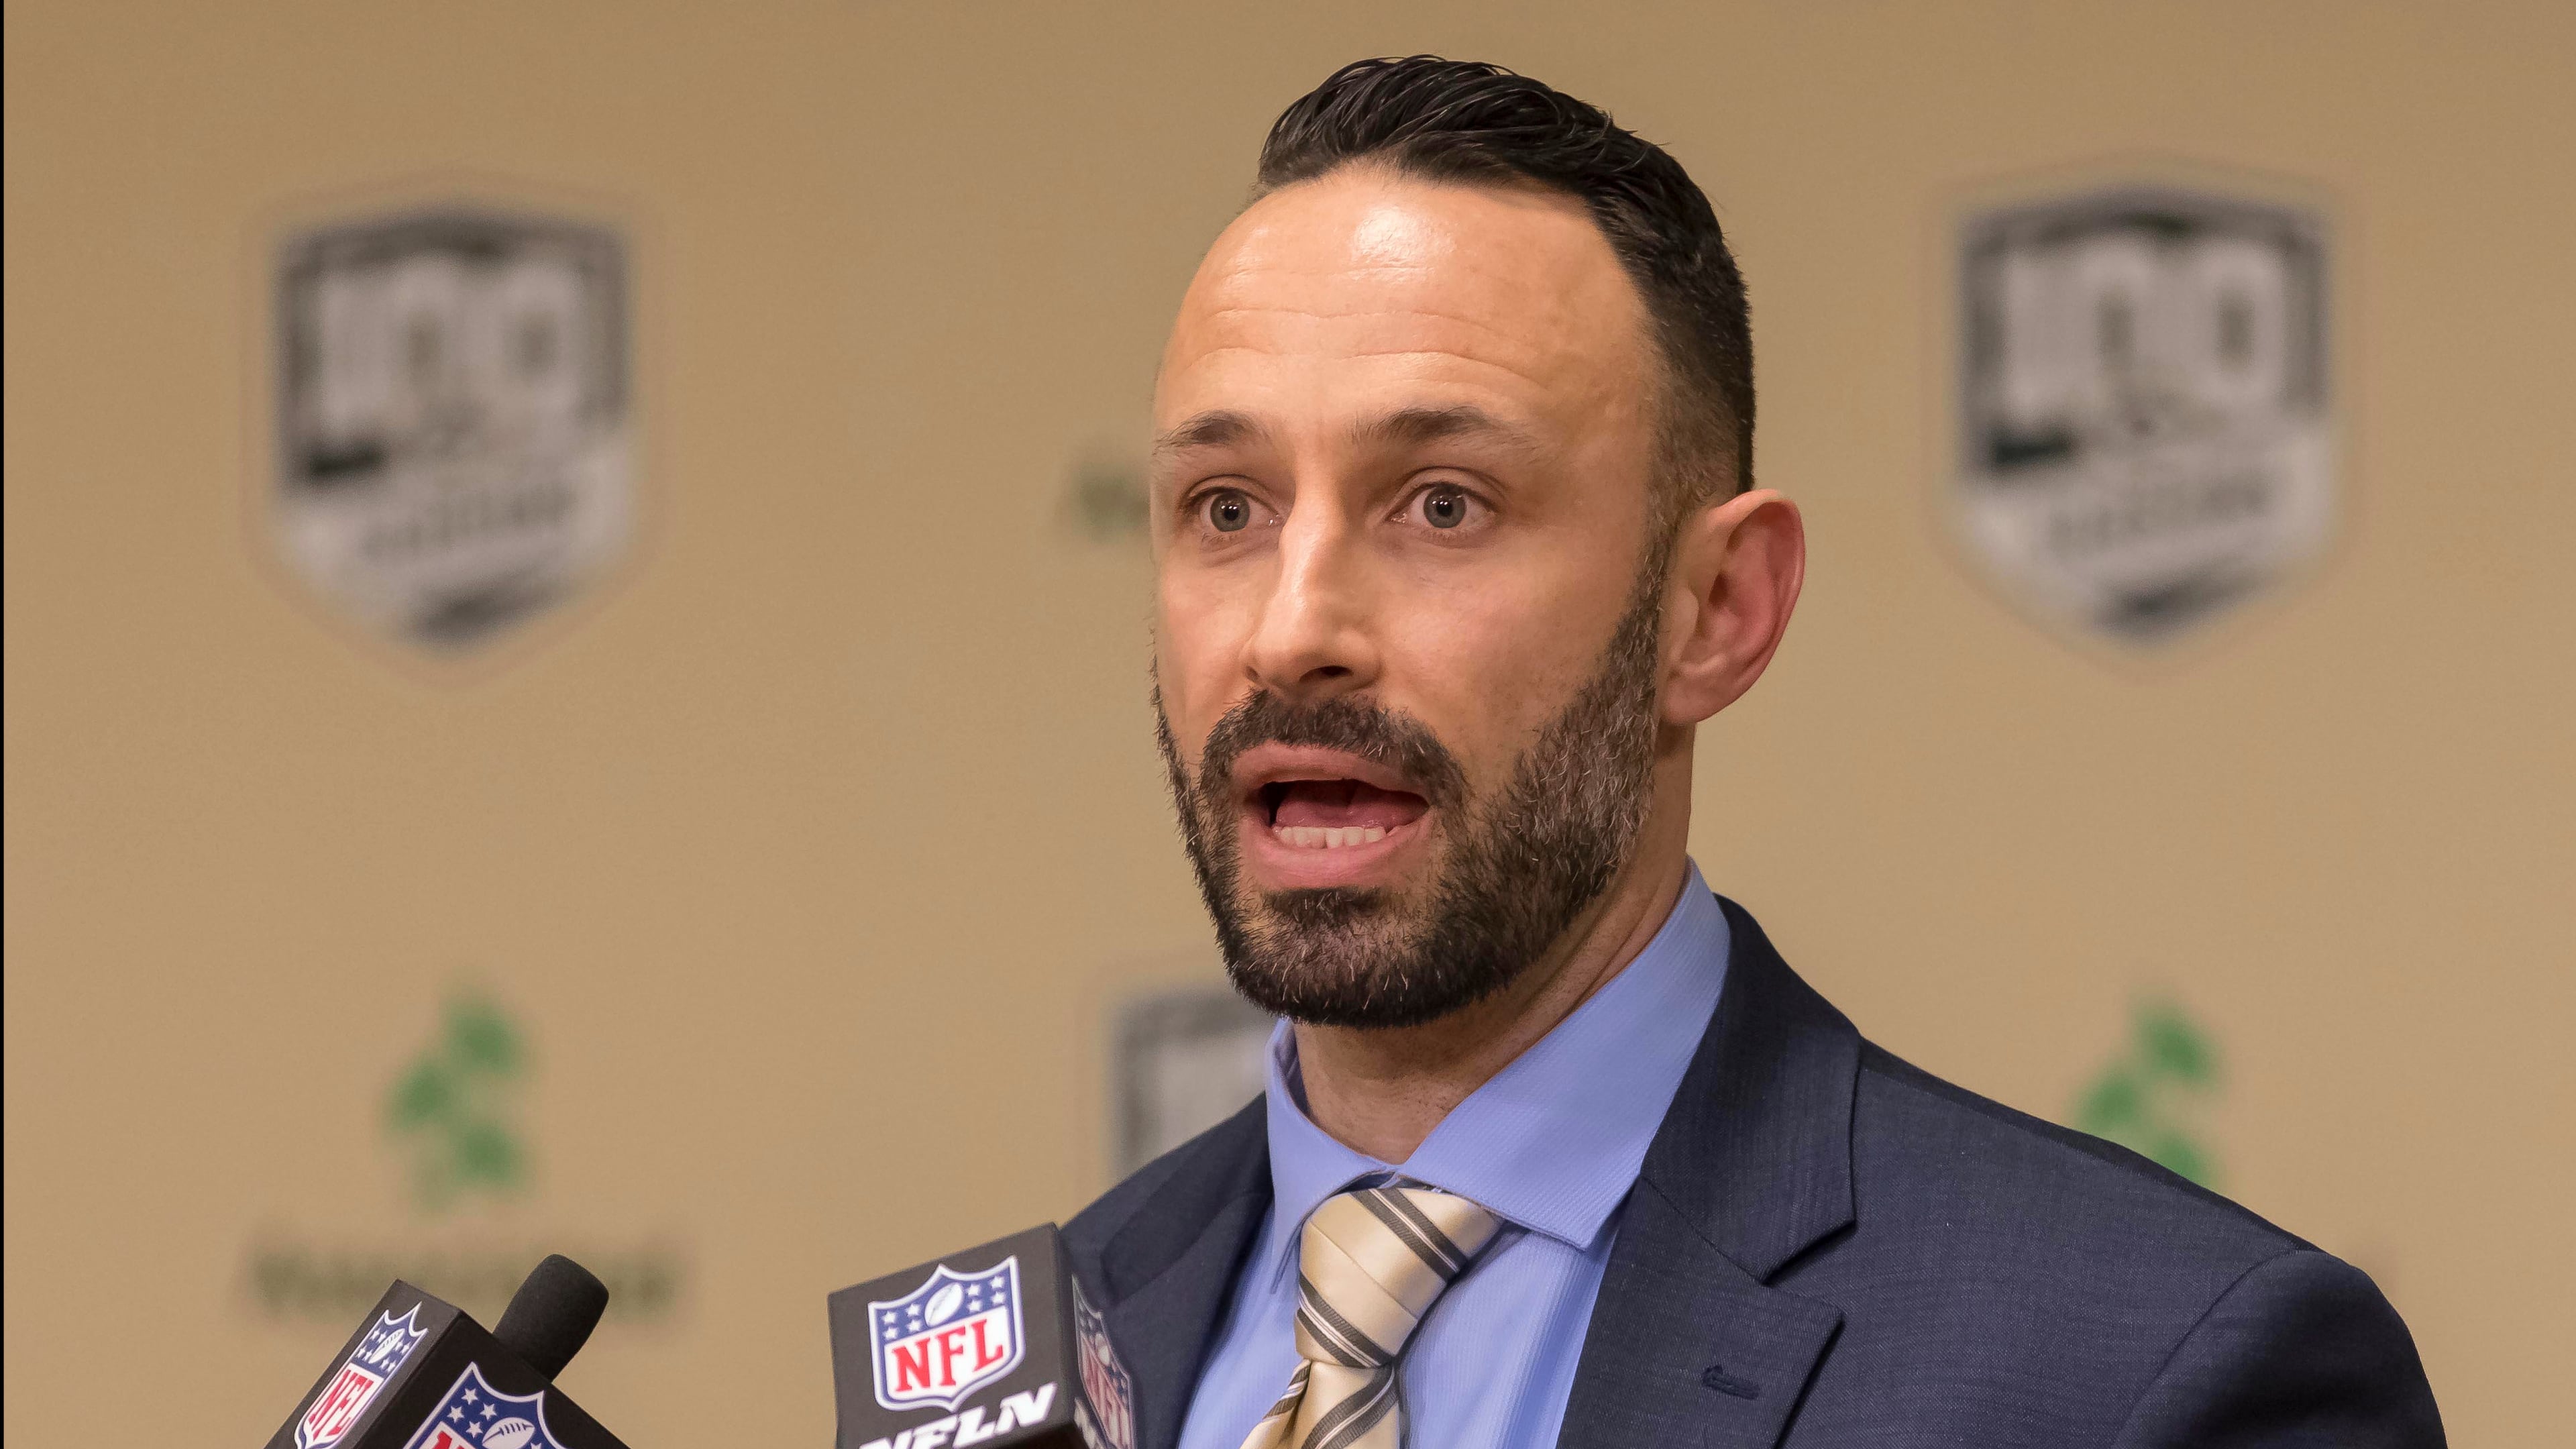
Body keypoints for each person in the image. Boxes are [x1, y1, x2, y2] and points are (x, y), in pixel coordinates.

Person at [1065, 56, 2442, 1449]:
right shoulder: (1064, 1327)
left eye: (1441, 504)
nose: (1292, 631)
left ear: (1717, 608)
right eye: (1227, 508)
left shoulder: (2156, 1372)